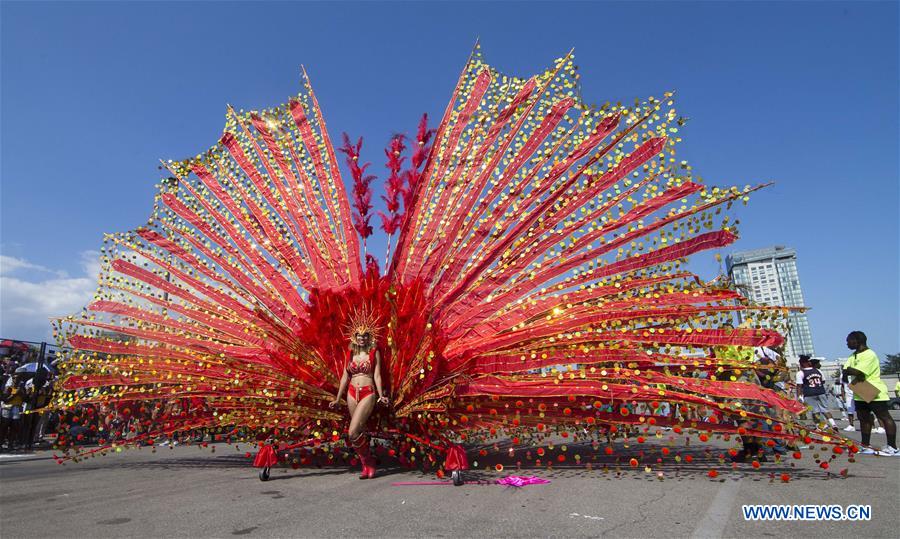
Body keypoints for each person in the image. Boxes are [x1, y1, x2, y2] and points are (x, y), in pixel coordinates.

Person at [328, 313, 389, 479]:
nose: (361, 338)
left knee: (352, 432)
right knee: (358, 430)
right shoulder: (350, 353)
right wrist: (338, 398)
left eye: (365, 335)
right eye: (359, 335)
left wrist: (381, 395)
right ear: (355, 337)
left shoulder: (374, 352)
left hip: (368, 392)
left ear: (369, 337)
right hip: (351, 392)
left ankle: (368, 461)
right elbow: (344, 376)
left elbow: (377, 375)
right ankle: (366, 465)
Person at [841, 331, 897, 455]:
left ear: (857, 340)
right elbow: (846, 370)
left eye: (848, 340)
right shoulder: (853, 355)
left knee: (883, 416)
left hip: (872, 388)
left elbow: (858, 372)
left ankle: (892, 447)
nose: (847, 343)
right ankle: (865, 445)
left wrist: (849, 371)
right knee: (863, 418)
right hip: (859, 388)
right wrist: (848, 371)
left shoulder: (869, 354)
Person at [796, 356, 837, 431]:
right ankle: (833, 424)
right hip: (821, 392)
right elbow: (823, 381)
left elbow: (799, 386)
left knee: (815, 411)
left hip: (809, 393)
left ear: (801, 364)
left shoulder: (800, 373)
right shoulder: (818, 370)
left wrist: (799, 396)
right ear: (808, 362)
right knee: (825, 409)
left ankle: (819, 427)